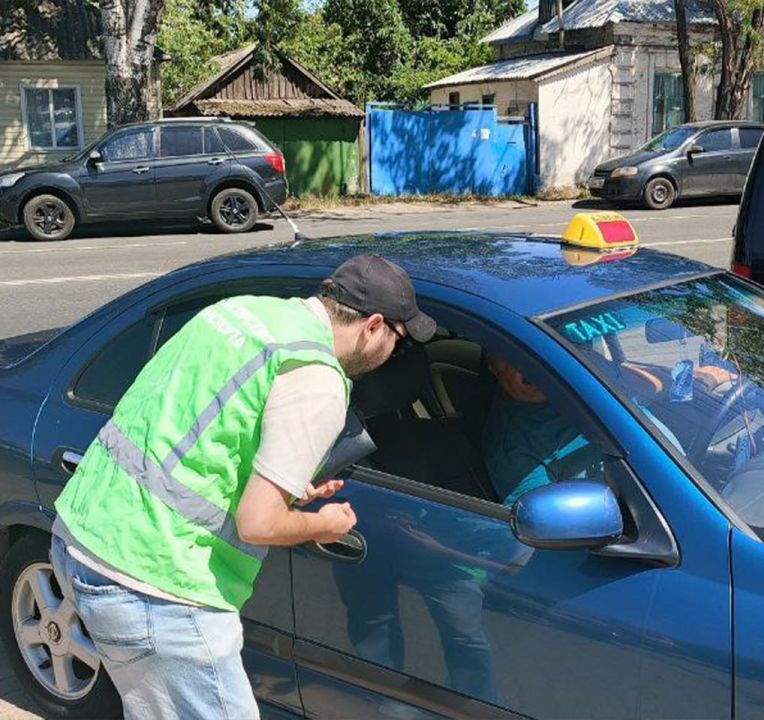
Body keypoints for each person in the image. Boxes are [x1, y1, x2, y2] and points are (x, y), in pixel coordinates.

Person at [49, 255, 435, 720]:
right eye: (400, 338)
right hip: (159, 585)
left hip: (82, 539)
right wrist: (321, 523)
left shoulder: (240, 312)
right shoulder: (318, 381)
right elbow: (258, 523)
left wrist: (283, 485)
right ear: (374, 326)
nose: (396, 351)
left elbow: (194, 425)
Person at [481, 355, 603, 506]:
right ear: (494, 370)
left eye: (534, 355)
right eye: (511, 358)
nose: (532, 368)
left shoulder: (588, 379)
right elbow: (548, 523)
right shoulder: (512, 450)